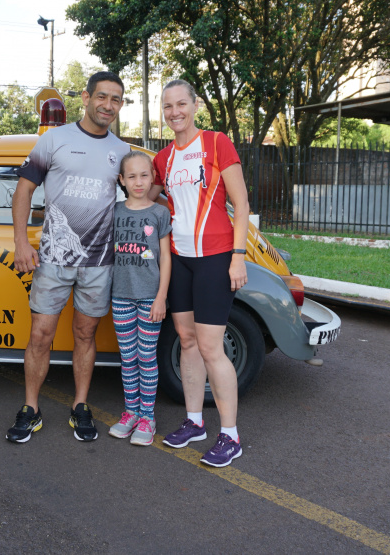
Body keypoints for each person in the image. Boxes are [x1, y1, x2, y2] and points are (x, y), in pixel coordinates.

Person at [6, 71, 130, 443]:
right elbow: (24, 190)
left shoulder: (122, 152)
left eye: (116, 100)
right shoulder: (55, 139)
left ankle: (80, 406)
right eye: (102, 97)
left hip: (98, 263)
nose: (108, 105)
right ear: (86, 97)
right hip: (53, 260)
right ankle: (31, 408)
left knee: (85, 334)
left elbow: (144, 193)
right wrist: (21, 243)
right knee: (41, 335)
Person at [151, 79, 250, 467]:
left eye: (181, 104)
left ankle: (230, 434)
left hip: (215, 257)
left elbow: (241, 204)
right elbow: (152, 192)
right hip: (179, 259)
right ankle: (195, 422)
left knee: (211, 347)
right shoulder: (163, 159)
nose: (175, 112)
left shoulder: (216, 143)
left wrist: (238, 257)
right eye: (168, 106)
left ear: (194, 105)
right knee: (187, 341)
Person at [106, 151, 172, 446]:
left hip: (149, 298)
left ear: (153, 178)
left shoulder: (159, 213)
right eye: (131, 176)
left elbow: (166, 259)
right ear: (121, 180)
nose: (138, 181)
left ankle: (148, 416)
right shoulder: (115, 211)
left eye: (144, 175)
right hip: (120, 296)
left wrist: (161, 298)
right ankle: (130, 412)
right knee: (128, 358)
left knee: (146, 357)